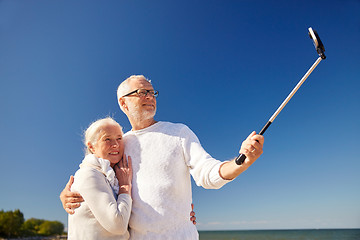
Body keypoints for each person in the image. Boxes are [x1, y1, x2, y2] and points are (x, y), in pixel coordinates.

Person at [61, 75, 264, 239]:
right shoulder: (121, 143)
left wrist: (241, 162)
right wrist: (67, 195)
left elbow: (207, 172)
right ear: (123, 104)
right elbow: (98, 176)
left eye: (152, 92)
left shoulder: (179, 133)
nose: (150, 96)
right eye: (142, 92)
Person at [67, 117, 132, 240]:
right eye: (107, 139)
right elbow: (117, 225)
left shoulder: (111, 175)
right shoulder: (88, 174)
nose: (115, 145)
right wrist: (125, 186)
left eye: (119, 138)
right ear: (91, 147)